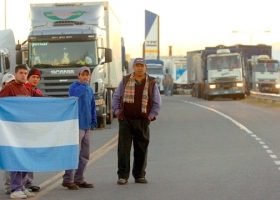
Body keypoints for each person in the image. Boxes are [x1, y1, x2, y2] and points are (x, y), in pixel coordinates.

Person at [112, 57, 162, 185]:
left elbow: (157, 102)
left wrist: (150, 116)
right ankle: (122, 175)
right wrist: (118, 112)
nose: (139, 68)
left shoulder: (151, 82)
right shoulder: (125, 80)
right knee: (124, 149)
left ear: (145, 67)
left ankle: (139, 175)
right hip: (126, 120)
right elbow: (116, 98)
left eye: (142, 65)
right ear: (133, 67)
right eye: (137, 65)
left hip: (143, 120)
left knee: (141, 149)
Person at [0, 64, 43, 199]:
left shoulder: (26, 89)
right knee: (16, 160)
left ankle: (22, 186)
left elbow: (40, 101)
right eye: (21, 73)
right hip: (13, 131)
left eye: (25, 73)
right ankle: (15, 189)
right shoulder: (9, 88)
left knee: (25, 159)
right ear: (16, 74)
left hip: (26, 130)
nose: (24, 75)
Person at [62, 66, 97, 190]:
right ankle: (68, 179)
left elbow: (92, 106)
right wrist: (84, 85)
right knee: (74, 154)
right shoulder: (74, 87)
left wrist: (94, 121)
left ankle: (79, 179)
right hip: (76, 126)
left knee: (84, 155)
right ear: (79, 76)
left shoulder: (90, 90)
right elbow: (74, 94)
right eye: (83, 75)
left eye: (88, 75)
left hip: (87, 126)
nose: (86, 77)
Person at [1, 73, 15, 195]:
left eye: (12, 83)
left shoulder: (15, 99)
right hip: (4, 132)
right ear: (3, 84)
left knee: (11, 158)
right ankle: (9, 185)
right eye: (8, 83)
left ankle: (12, 185)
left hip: (12, 132)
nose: (10, 85)